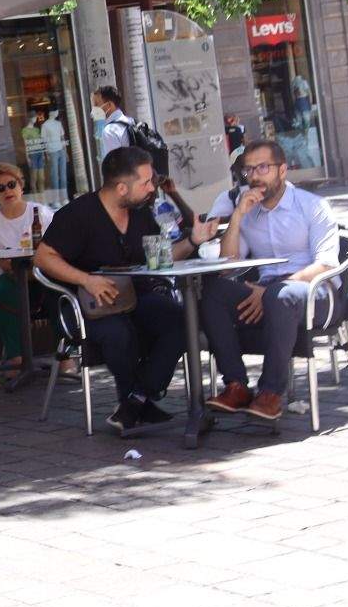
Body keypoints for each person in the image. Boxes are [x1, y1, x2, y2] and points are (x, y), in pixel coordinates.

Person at [34, 147, 216, 434]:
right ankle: (138, 402)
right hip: (86, 305)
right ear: (121, 188)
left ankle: (137, 399)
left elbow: (161, 258)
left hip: (133, 295)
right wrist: (86, 279)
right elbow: (43, 258)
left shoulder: (141, 214)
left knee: (182, 320)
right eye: (145, 182)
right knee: (118, 332)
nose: (151, 188)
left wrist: (193, 240)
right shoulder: (78, 214)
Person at [200, 139, 341, 421]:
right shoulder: (249, 209)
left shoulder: (312, 206)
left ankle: (270, 393)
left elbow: (325, 263)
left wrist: (268, 290)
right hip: (267, 293)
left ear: (282, 170)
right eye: (249, 170)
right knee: (213, 290)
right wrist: (238, 215)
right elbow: (229, 265)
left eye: (263, 167)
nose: (254, 176)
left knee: (281, 295)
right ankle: (237, 385)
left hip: (315, 292)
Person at [0, 161, 56, 378]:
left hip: (42, 274)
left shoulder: (40, 213)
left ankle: (66, 355)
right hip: (12, 277)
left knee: (58, 291)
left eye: (11, 184)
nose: (8, 191)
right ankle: (15, 357)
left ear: (21, 186)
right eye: (0, 188)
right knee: (2, 290)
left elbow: (57, 248)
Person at [94, 86, 136, 160]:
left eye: (97, 104)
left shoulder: (109, 131)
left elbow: (116, 164)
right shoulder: (131, 121)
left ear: (109, 105)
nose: (94, 108)